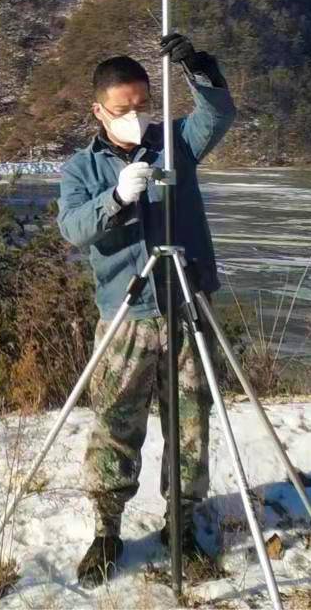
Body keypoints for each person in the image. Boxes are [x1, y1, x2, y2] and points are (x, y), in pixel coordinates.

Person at [57, 33, 236, 587]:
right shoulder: (81, 169)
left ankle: (180, 526)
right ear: (98, 110)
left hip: (184, 305)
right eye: (121, 109)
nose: (133, 116)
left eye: (140, 105)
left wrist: (201, 70)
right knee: (115, 424)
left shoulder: (174, 143)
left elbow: (218, 115)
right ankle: (107, 531)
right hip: (125, 314)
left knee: (189, 425)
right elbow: (73, 229)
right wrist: (118, 198)